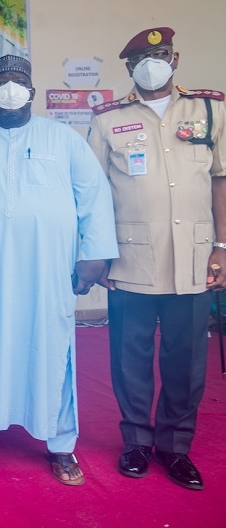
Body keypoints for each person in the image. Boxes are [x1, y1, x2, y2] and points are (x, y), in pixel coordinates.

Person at [0, 55, 118, 485]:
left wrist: (93, 256)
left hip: (48, 270)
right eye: (1, 83)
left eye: (18, 81)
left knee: (51, 346)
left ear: (33, 92)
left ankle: (60, 443)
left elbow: (94, 197)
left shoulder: (63, 139)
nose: (9, 89)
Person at [88, 27, 226, 491]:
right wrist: (99, 256)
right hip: (131, 262)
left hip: (194, 259)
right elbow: (95, 195)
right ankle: (137, 443)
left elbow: (221, 181)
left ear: (176, 58)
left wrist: (223, 248)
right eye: (142, 60)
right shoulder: (108, 119)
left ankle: (175, 447)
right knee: (130, 359)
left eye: (162, 54)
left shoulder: (209, 109)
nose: (153, 64)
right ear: (128, 70)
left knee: (186, 362)